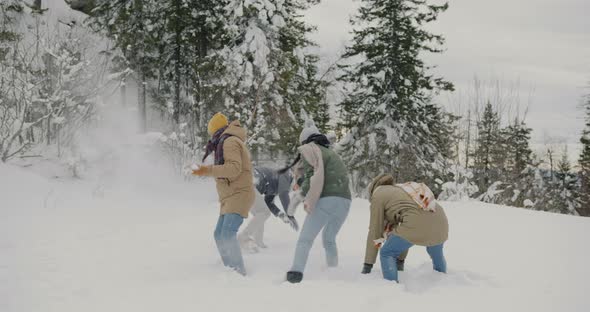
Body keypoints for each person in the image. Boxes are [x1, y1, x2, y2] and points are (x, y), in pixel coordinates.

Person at [283, 122, 352, 284]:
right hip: (345, 201)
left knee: (305, 239)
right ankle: (333, 271)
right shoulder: (331, 153)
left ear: (305, 141)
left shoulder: (310, 149)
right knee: (329, 238)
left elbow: (311, 177)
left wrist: (296, 200)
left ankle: (295, 272)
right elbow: (324, 173)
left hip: (327, 200)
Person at [192, 113, 255, 276]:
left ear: (215, 130)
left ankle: (238, 272)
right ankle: (229, 268)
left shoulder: (229, 142)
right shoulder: (226, 141)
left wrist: (207, 170)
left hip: (239, 194)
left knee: (227, 233)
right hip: (230, 196)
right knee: (219, 234)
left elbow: (234, 169)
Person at [362, 174, 449, 283]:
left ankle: (391, 287)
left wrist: (368, 264)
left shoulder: (378, 194)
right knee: (436, 251)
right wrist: (400, 262)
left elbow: (375, 231)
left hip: (416, 221)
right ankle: (443, 282)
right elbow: (402, 229)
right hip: (440, 219)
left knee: (387, 253)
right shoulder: (401, 189)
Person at [238, 167, 299, 252]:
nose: (294, 189)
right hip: (248, 182)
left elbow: (268, 203)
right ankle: (244, 236)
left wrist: (281, 215)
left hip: (243, 184)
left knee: (260, 214)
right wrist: (290, 215)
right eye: (296, 186)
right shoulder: (287, 173)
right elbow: (283, 194)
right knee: (264, 212)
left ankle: (258, 241)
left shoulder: (275, 182)